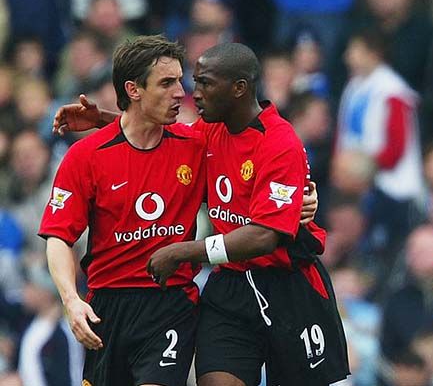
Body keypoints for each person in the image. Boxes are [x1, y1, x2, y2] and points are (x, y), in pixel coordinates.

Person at [57, 42, 349, 386]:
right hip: (230, 287)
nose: (192, 93)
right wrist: (105, 120)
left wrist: (184, 251)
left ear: (238, 88)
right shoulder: (210, 130)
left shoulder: (279, 143)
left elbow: (264, 235)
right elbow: (158, 137)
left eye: (205, 83)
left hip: (288, 286)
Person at [39, 35, 206, 386]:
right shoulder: (86, 156)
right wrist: (71, 300)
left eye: (180, 80)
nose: (180, 92)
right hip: (108, 307)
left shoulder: (195, 146)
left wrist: (301, 197)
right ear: (133, 89)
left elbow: (241, 173)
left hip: (170, 300)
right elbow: (57, 236)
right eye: (167, 82)